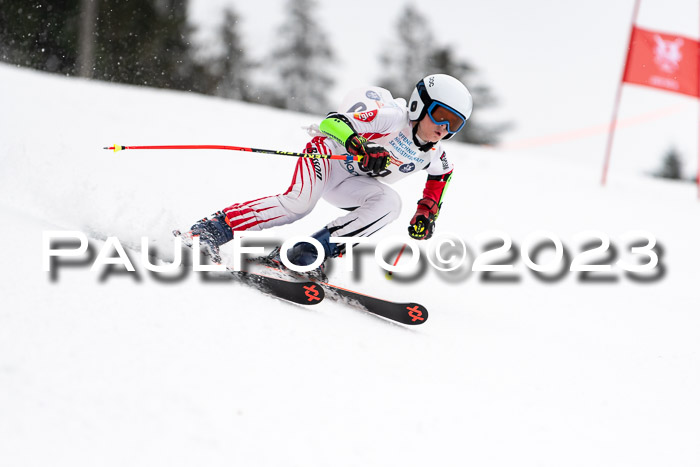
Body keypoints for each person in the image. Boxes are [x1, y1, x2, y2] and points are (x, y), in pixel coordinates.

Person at [188, 73, 473, 273]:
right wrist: (357, 143)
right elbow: (332, 122)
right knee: (298, 204)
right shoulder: (394, 117)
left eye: (455, 123)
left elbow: (441, 175)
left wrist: (426, 211)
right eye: (440, 115)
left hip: (352, 183)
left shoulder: (434, 152)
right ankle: (210, 230)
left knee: (391, 204)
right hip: (326, 156)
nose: (444, 128)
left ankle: (306, 254)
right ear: (419, 105)